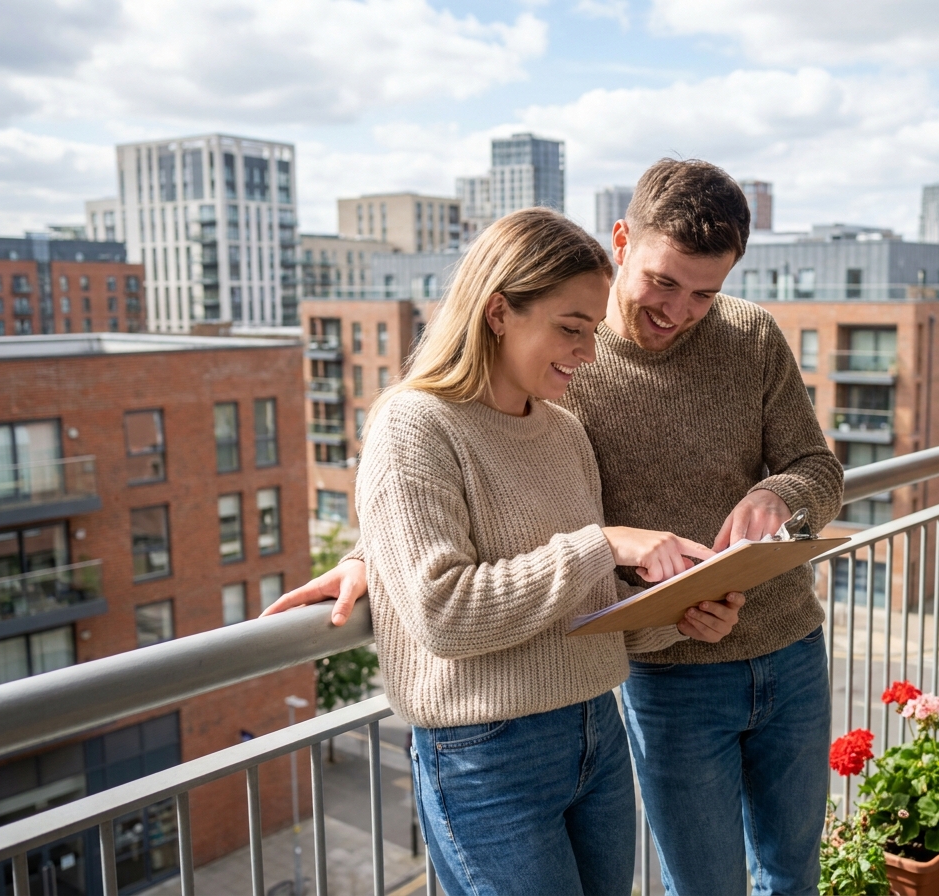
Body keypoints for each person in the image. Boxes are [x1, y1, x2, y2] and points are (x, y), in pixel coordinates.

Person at [286, 159, 842, 895]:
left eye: (704, 293)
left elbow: (815, 468)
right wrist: (375, 553)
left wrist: (781, 493)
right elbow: (461, 470)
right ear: (622, 241)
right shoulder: (557, 372)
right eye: (663, 283)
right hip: (643, 686)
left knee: (794, 872)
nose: (679, 311)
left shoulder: (729, 344)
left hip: (746, 647)